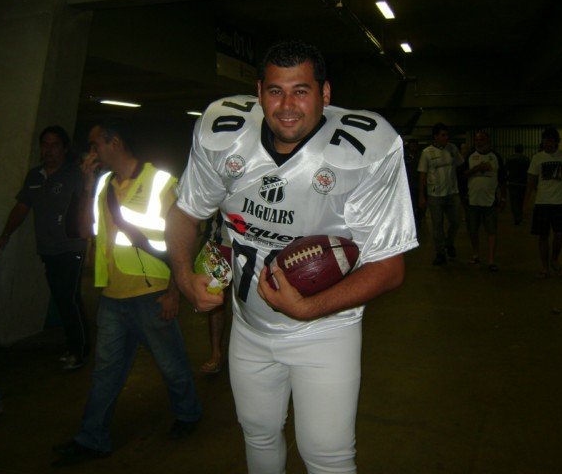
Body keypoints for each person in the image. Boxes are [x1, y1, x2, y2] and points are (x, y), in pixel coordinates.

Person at [166, 40, 417, 473]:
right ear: (259, 90)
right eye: (275, 91)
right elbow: (185, 211)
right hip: (249, 326)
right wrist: (185, 277)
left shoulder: (366, 151)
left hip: (326, 331)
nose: (287, 105)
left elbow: (390, 267)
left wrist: (309, 308)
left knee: (327, 455)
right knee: (258, 435)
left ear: (325, 93)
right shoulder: (224, 134)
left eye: (301, 91)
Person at [53, 118, 201, 465]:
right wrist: (88, 186)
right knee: (106, 372)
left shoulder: (160, 182)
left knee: (171, 364)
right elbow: (81, 229)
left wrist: (174, 291)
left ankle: (189, 414)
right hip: (113, 296)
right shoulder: (104, 187)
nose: (92, 152)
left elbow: (184, 237)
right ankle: (92, 438)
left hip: (151, 294)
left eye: (95, 145)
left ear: (114, 143)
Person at [0, 126, 91, 371]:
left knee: (67, 296)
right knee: (62, 297)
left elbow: (90, 202)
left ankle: (78, 350)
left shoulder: (74, 175)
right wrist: (5, 234)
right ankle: (76, 345)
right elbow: (21, 208)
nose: (48, 150)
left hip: (71, 246)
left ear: (64, 148)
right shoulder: (35, 176)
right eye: (44, 145)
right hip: (47, 248)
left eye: (54, 145)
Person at [523, 127, 562, 279]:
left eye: (550, 140)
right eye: (544, 140)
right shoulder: (537, 158)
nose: (547, 143)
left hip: (559, 202)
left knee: (559, 234)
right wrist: (526, 203)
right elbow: (531, 182)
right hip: (542, 202)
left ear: (556, 142)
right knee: (542, 235)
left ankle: (554, 258)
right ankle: (544, 267)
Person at [418, 122, 463, 265]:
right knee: (437, 225)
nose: (446, 138)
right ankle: (440, 253)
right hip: (435, 195)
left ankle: (449, 243)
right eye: (443, 135)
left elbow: (460, 167)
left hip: (452, 192)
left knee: (456, 221)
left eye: (447, 135)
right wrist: (421, 196)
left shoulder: (452, 149)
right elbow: (422, 175)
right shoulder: (427, 153)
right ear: (435, 136)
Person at [462, 131, 507, 270]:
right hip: (473, 201)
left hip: (490, 201)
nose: (479, 142)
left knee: (491, 231)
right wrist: (477, 168)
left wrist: (503, 198)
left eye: (482, 139)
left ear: (488, 141)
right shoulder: (470, 156)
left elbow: (502, 180)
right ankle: (476, 254)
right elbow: (463, 175)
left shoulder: (495, 157)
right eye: (477, 140)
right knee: (473, 230)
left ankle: (491, 259)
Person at [199, 212, 231, 374]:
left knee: (254, 297)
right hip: (220, 245)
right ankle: (216, 353)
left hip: (253, 246)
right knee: (215, 300)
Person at [505, 144, 530, 225]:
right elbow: (529, 170)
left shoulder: (509, 158)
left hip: (512, 182)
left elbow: (506, 169)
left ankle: (517, 216)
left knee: (514, 201)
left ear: (514, 149)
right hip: (523, 182)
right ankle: (520, 215)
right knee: (521, 200)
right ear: (522, 150)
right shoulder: (526, 159)